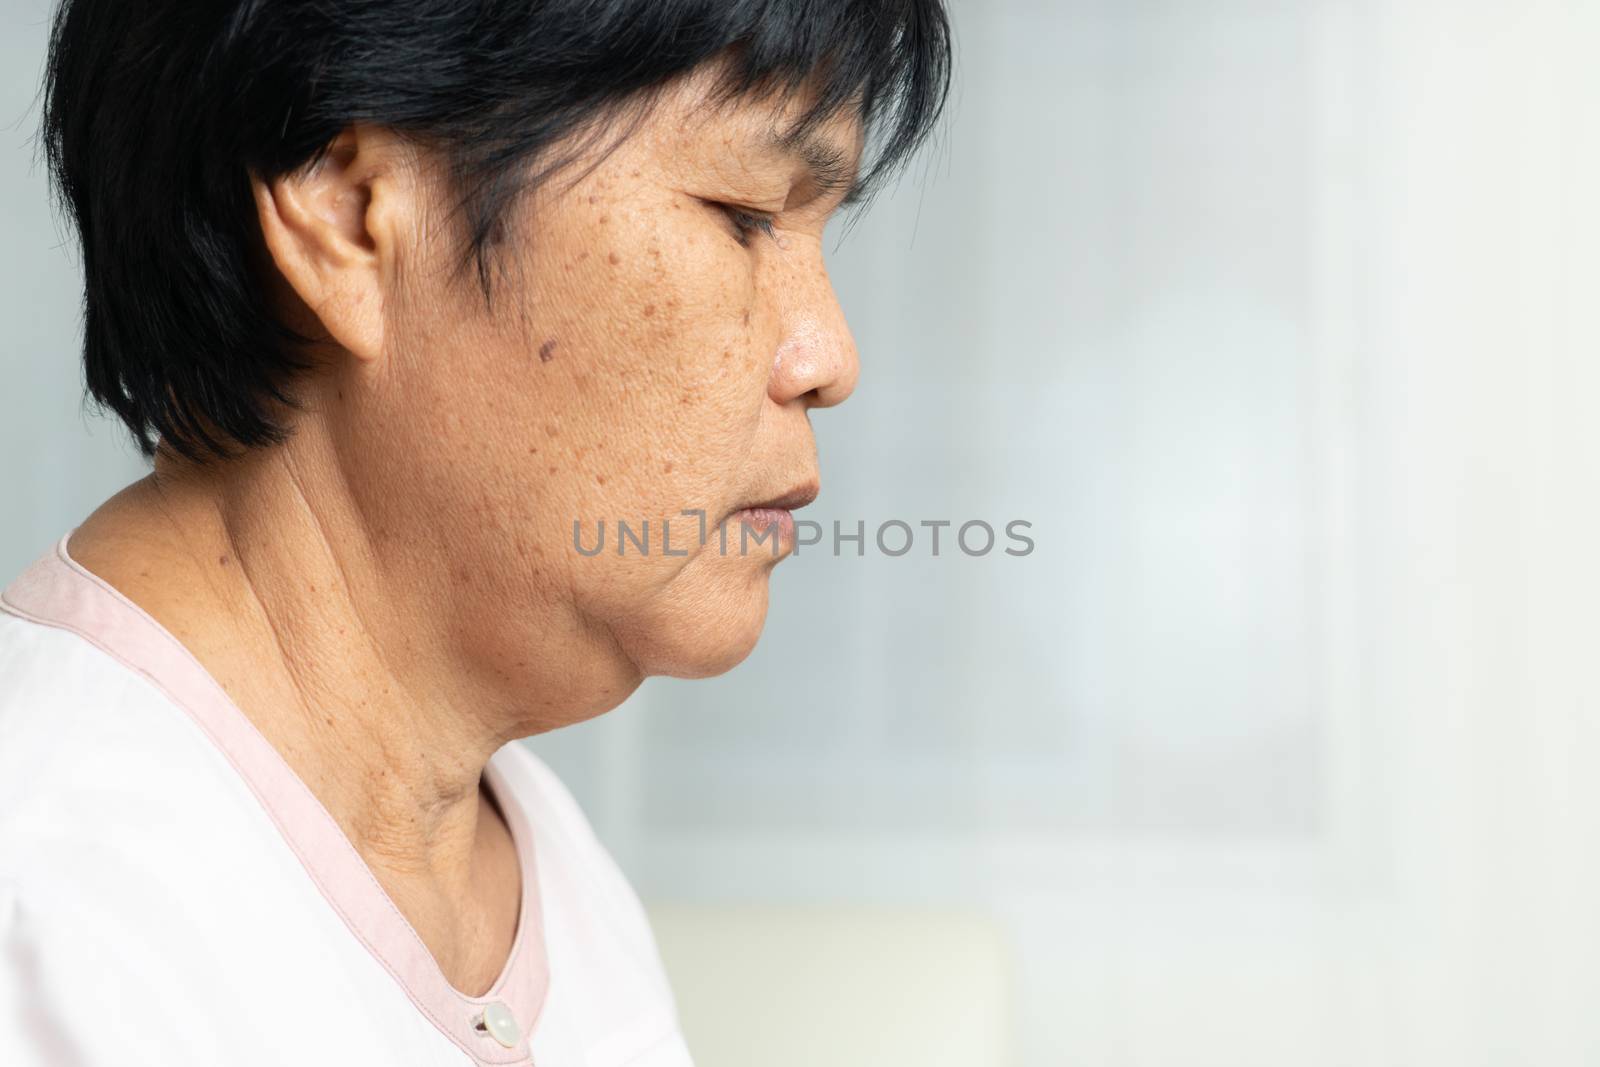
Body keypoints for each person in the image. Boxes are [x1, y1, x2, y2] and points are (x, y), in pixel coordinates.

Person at [0, 1, 951, 1063]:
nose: (829, 353)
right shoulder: (50, 909)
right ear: (352, 215)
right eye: (739, 214)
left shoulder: (545, 864)